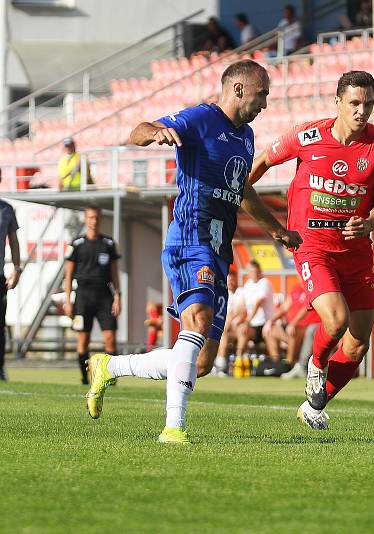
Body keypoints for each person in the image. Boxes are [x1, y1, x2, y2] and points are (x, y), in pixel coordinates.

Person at [84, 60, 302, 444]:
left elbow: (243, 190)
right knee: (197, 323)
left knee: (200, 362)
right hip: (189, 237)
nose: (265, 102)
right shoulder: (202, 117)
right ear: (238, 89)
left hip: (219, 249)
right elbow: (136, 132)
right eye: (262, 93)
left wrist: (277, 230)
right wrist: (156, 133)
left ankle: (109, 365)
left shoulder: (246, 136)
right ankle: (173, 428)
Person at [249, 70, 374, 430]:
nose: (361, 111)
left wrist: (369, 223)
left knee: (359, 343)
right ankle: (316, 364)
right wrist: (234, 190)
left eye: (368, 104)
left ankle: (313, 406)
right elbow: (265, 160)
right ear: (337, 103)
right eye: (354, 103)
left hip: (356, 251)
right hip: (312, 245)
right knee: (336, 320)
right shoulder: (308, 135)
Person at [63, 206, 121, 384]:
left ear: (100, 219)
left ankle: (110, 378)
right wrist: (68, 300)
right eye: (90, 218)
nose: (93, 221)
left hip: (104, 295)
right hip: (83, 296)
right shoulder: (77, 244)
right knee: (83, 339)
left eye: (96, 217)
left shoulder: (108, 244)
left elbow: (114, 273)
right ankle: (84, 378)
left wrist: (118, 296)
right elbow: (68, 275)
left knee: (110, 339)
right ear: (85, 220)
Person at [0, 184, 21, 381]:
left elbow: (13, 241)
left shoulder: (6, 209)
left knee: (0, 326)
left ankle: (0, 368)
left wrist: (17, 268)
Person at [236, 260, 274, 359]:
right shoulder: (248, 284)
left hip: (265, 323)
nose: (253, 273)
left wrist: (247, 321)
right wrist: (236, 320)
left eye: (255, 271)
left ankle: (277, 362)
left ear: (259, 271)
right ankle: (236, 360)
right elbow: (243, 306)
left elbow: (259, 303)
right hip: (253, 325)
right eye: (251, 271)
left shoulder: (264, 282)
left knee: (245, 329)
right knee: (238, 329)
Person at [218, 271, 245, 362]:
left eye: (232, 280)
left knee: (225, 331)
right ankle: (220, 361)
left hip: (238, 325)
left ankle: (236, 361)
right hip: (227, 327)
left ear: (236, 280)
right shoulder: (223, 293)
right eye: (228, 280)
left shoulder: (240, 291)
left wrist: (229, 320)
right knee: (222, 333)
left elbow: (241, 310)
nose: (230, 282)